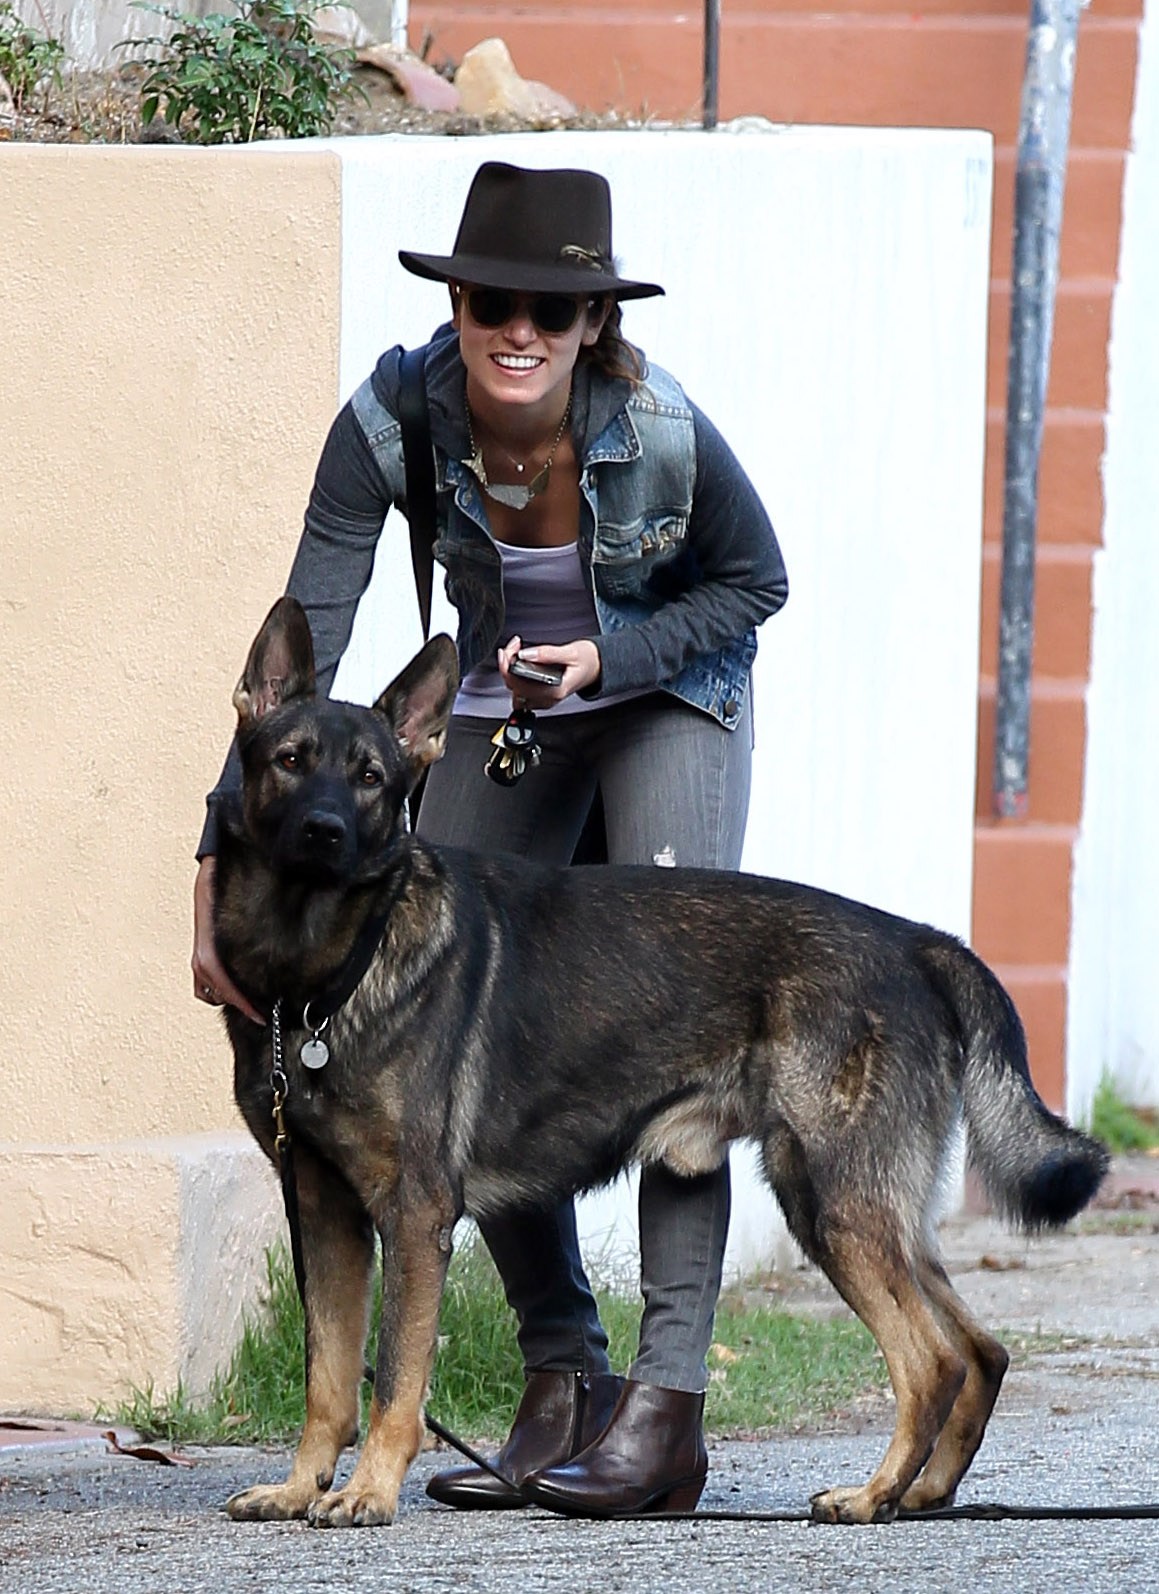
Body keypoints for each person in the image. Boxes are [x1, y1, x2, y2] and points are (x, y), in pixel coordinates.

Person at [191, 160, 788, 1518]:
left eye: (552, 311)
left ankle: (665, 1410)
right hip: (502, 714)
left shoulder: (662, 429)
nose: (520, 331)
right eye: (492, 304)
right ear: (455, 305)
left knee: (682, 1030)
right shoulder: (391, 419)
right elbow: (298, 658)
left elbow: (758, 581)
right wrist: (215, 859)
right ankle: (562, 1374)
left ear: (594, 325)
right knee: (470, 1024)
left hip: (666, 700)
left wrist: (613, 655)